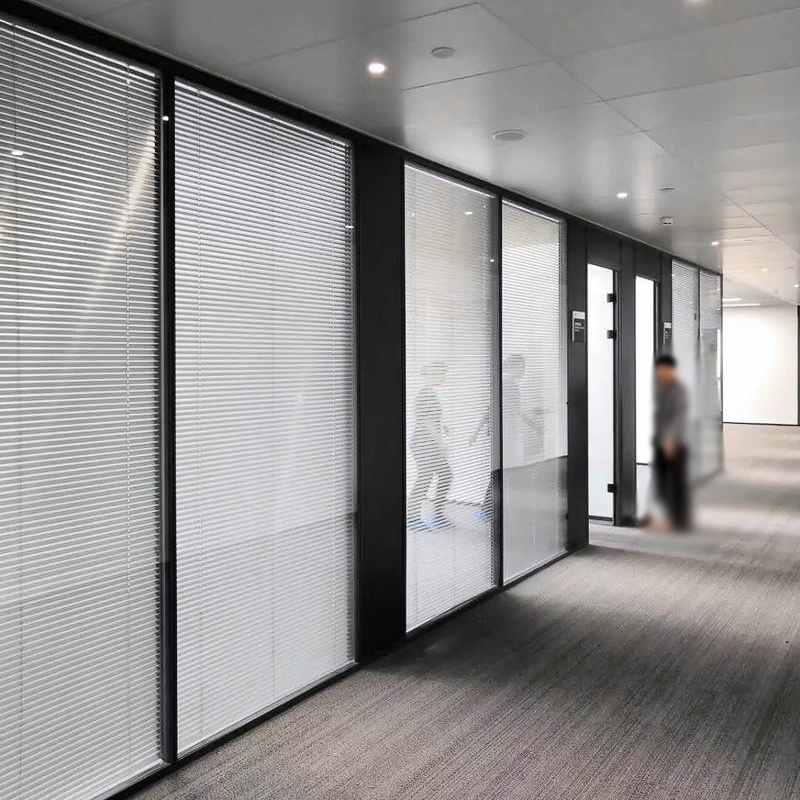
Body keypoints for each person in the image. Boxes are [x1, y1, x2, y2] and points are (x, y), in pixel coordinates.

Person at [408, 363, 453, 530]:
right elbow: (427, 421)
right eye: (441, 374)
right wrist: (441, 443)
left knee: (444, 475)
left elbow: (428, 417)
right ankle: (413, 518)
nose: (443, 377)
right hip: (424, 444)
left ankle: (437, 515)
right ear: (432, 375)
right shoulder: (426, 394)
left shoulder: (429, 393)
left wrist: (443, 427)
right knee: (426, 478)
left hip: (426, 443)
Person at [650, 353, 691, 532]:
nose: (661, 373)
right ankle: (668, 518)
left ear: (672, 370)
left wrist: (671, 440)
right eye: (659, 370)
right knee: (662, 481)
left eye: (664, 370)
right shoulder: (661, 388)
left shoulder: (678, 390)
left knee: (676, 482)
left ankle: (679, 520)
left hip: (675, 443)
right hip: (661, 441)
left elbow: (679, 417)